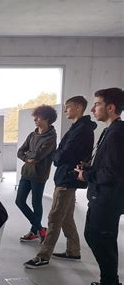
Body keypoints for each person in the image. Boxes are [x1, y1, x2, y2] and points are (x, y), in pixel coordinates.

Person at [24, 96, 96, 268]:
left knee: (54, 217)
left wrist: (56, 157)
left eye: (68, 107)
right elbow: (61, 152)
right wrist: (58, 155)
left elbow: (62, 154)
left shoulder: (82, 129)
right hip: (67, 177)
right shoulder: (79, 127)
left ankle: (43, 255)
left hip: (67, 179)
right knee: (66, 218)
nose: (65, 111)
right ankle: (73, 250)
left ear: (78, 108)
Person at [75, 88, 124, 285]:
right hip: (106, 197)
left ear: (111, 107)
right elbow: (108, 165)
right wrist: (89, 167)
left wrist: (86, 174)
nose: (94, 108)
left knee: (97, 238)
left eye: (97, 104)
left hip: (106, 198)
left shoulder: (116, 134)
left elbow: (112, 173)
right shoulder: (111, 130)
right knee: (105, 240)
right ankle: (113, 284)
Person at [16, 105, 57, 242]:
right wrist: (27, 158)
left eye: (38, 117)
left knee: (36, 203)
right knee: (19, 201)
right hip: (26, 172)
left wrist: (30, 156)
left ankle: (34, 231)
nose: (35, 119)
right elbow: (20, 152)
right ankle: (40, 228)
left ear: (47, 119)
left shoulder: (51, 137)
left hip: (39, 175)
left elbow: (39, 155)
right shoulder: (32, 135)